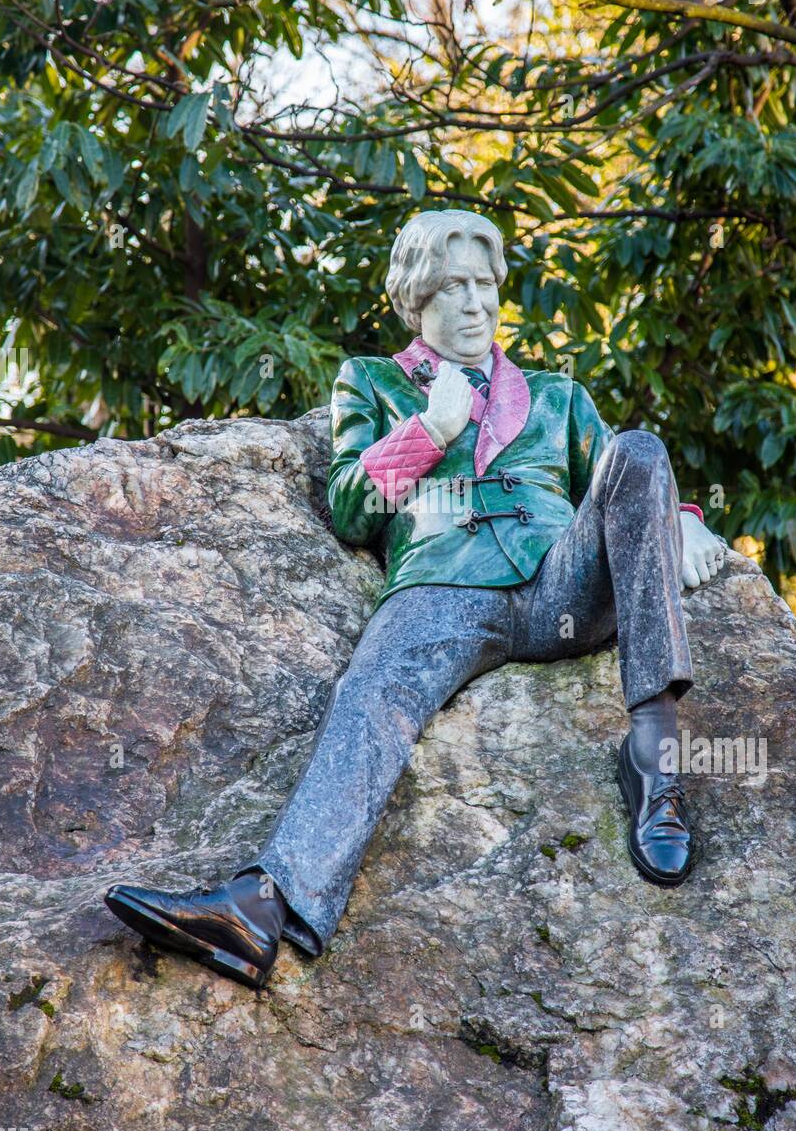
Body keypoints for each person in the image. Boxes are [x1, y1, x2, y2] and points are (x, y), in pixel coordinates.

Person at [105, 210, 727, 988]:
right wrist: (429, 430)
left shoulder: (558, 395)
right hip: (442, 585)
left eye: (485, 285)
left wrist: (680, 521)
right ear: (415, 300)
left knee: (642, 445)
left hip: (565, 585)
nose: (474, 303)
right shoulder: (369, 382)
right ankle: (262, 906)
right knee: (371, 692)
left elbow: (624, 482)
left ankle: (654, 765)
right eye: (452, 287)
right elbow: (350, 508)